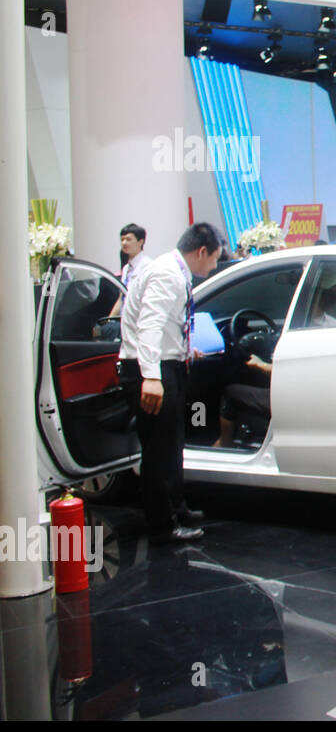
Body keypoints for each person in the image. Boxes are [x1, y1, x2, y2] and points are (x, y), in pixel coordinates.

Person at [117, 222, 222, 544]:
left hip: (167, 364)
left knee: (172, 444)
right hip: (151, 370)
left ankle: (177, 506)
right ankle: (162, 524)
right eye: (215, 258)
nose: (215, 265)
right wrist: (151, 377)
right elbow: (149, 326)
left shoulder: (173, 271)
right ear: (201, 251)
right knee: (159, 450)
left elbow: (166, 327)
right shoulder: (167, 274)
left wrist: (184, 350)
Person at [109, 223, 153, 316]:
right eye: (122, 239)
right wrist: (109, 319)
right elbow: (121, 298)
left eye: (128, 239)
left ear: (140, 242)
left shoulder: (148, 266)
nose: (124, 243)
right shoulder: (126, 268)